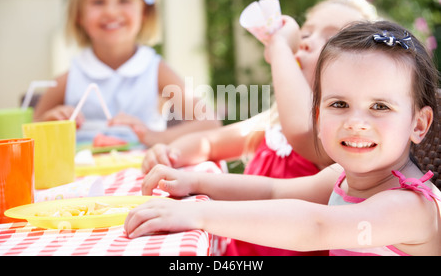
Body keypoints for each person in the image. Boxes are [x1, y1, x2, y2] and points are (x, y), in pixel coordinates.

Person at [125, 21, 441, 256]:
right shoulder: (344, 177)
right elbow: (272, 190)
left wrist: (198, 214)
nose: (356, 123)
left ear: (419, 123)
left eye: (380, 107)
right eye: (339, 105)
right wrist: (194, 182)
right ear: (317, 115)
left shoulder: (411, 207)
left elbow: (317, 227)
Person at [140, 0, 377, 255]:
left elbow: (301, 130)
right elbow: (210, 143)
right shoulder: (274, 123)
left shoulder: (341, 138)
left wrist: (279, 47)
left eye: (330, 38)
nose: (306, 41)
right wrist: (171, 152)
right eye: (305, 32)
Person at [34, 0, 220, 145]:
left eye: (124, 0)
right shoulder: (69, 79)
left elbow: (210, 124)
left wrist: (155, 137)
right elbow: (30, 134)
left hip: (146, 172)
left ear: (145, 12)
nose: (111, 12)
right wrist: (49, 125)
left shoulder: (155, 71)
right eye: (98, 2)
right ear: (79, 14)